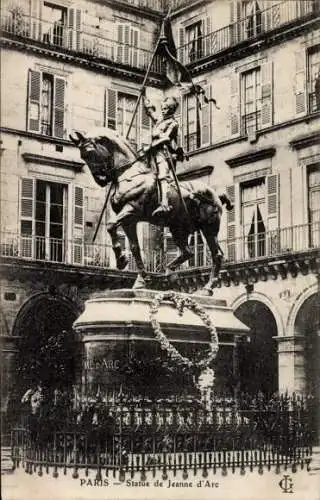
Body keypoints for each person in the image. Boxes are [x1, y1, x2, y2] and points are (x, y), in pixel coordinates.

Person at [143, 94, 182, 216]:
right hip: (152, 152)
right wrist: (144, 97)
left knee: (162, 175)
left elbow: (165, 138)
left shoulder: (173, 123)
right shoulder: (160, 119)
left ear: (171, 110)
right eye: (162, 108)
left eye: (165, 109)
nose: (163, 110)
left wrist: (150, 146)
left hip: (163, 153)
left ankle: (164, 203)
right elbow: (151, 112)